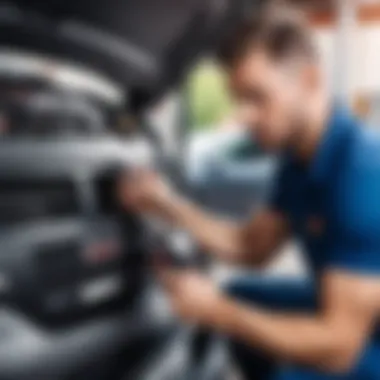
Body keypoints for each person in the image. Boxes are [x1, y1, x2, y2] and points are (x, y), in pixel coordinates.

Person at [119, 5, 380, 380]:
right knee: (238, 293)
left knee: (288, 369)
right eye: (239, 99)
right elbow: (249, 247)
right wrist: (163, 204)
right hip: (355, 316)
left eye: (258, 97)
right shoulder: (297, 159)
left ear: (309, 81)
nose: (245, 117)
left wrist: (218, 313)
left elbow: (340, 348)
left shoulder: (362, 171)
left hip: (355, 335)